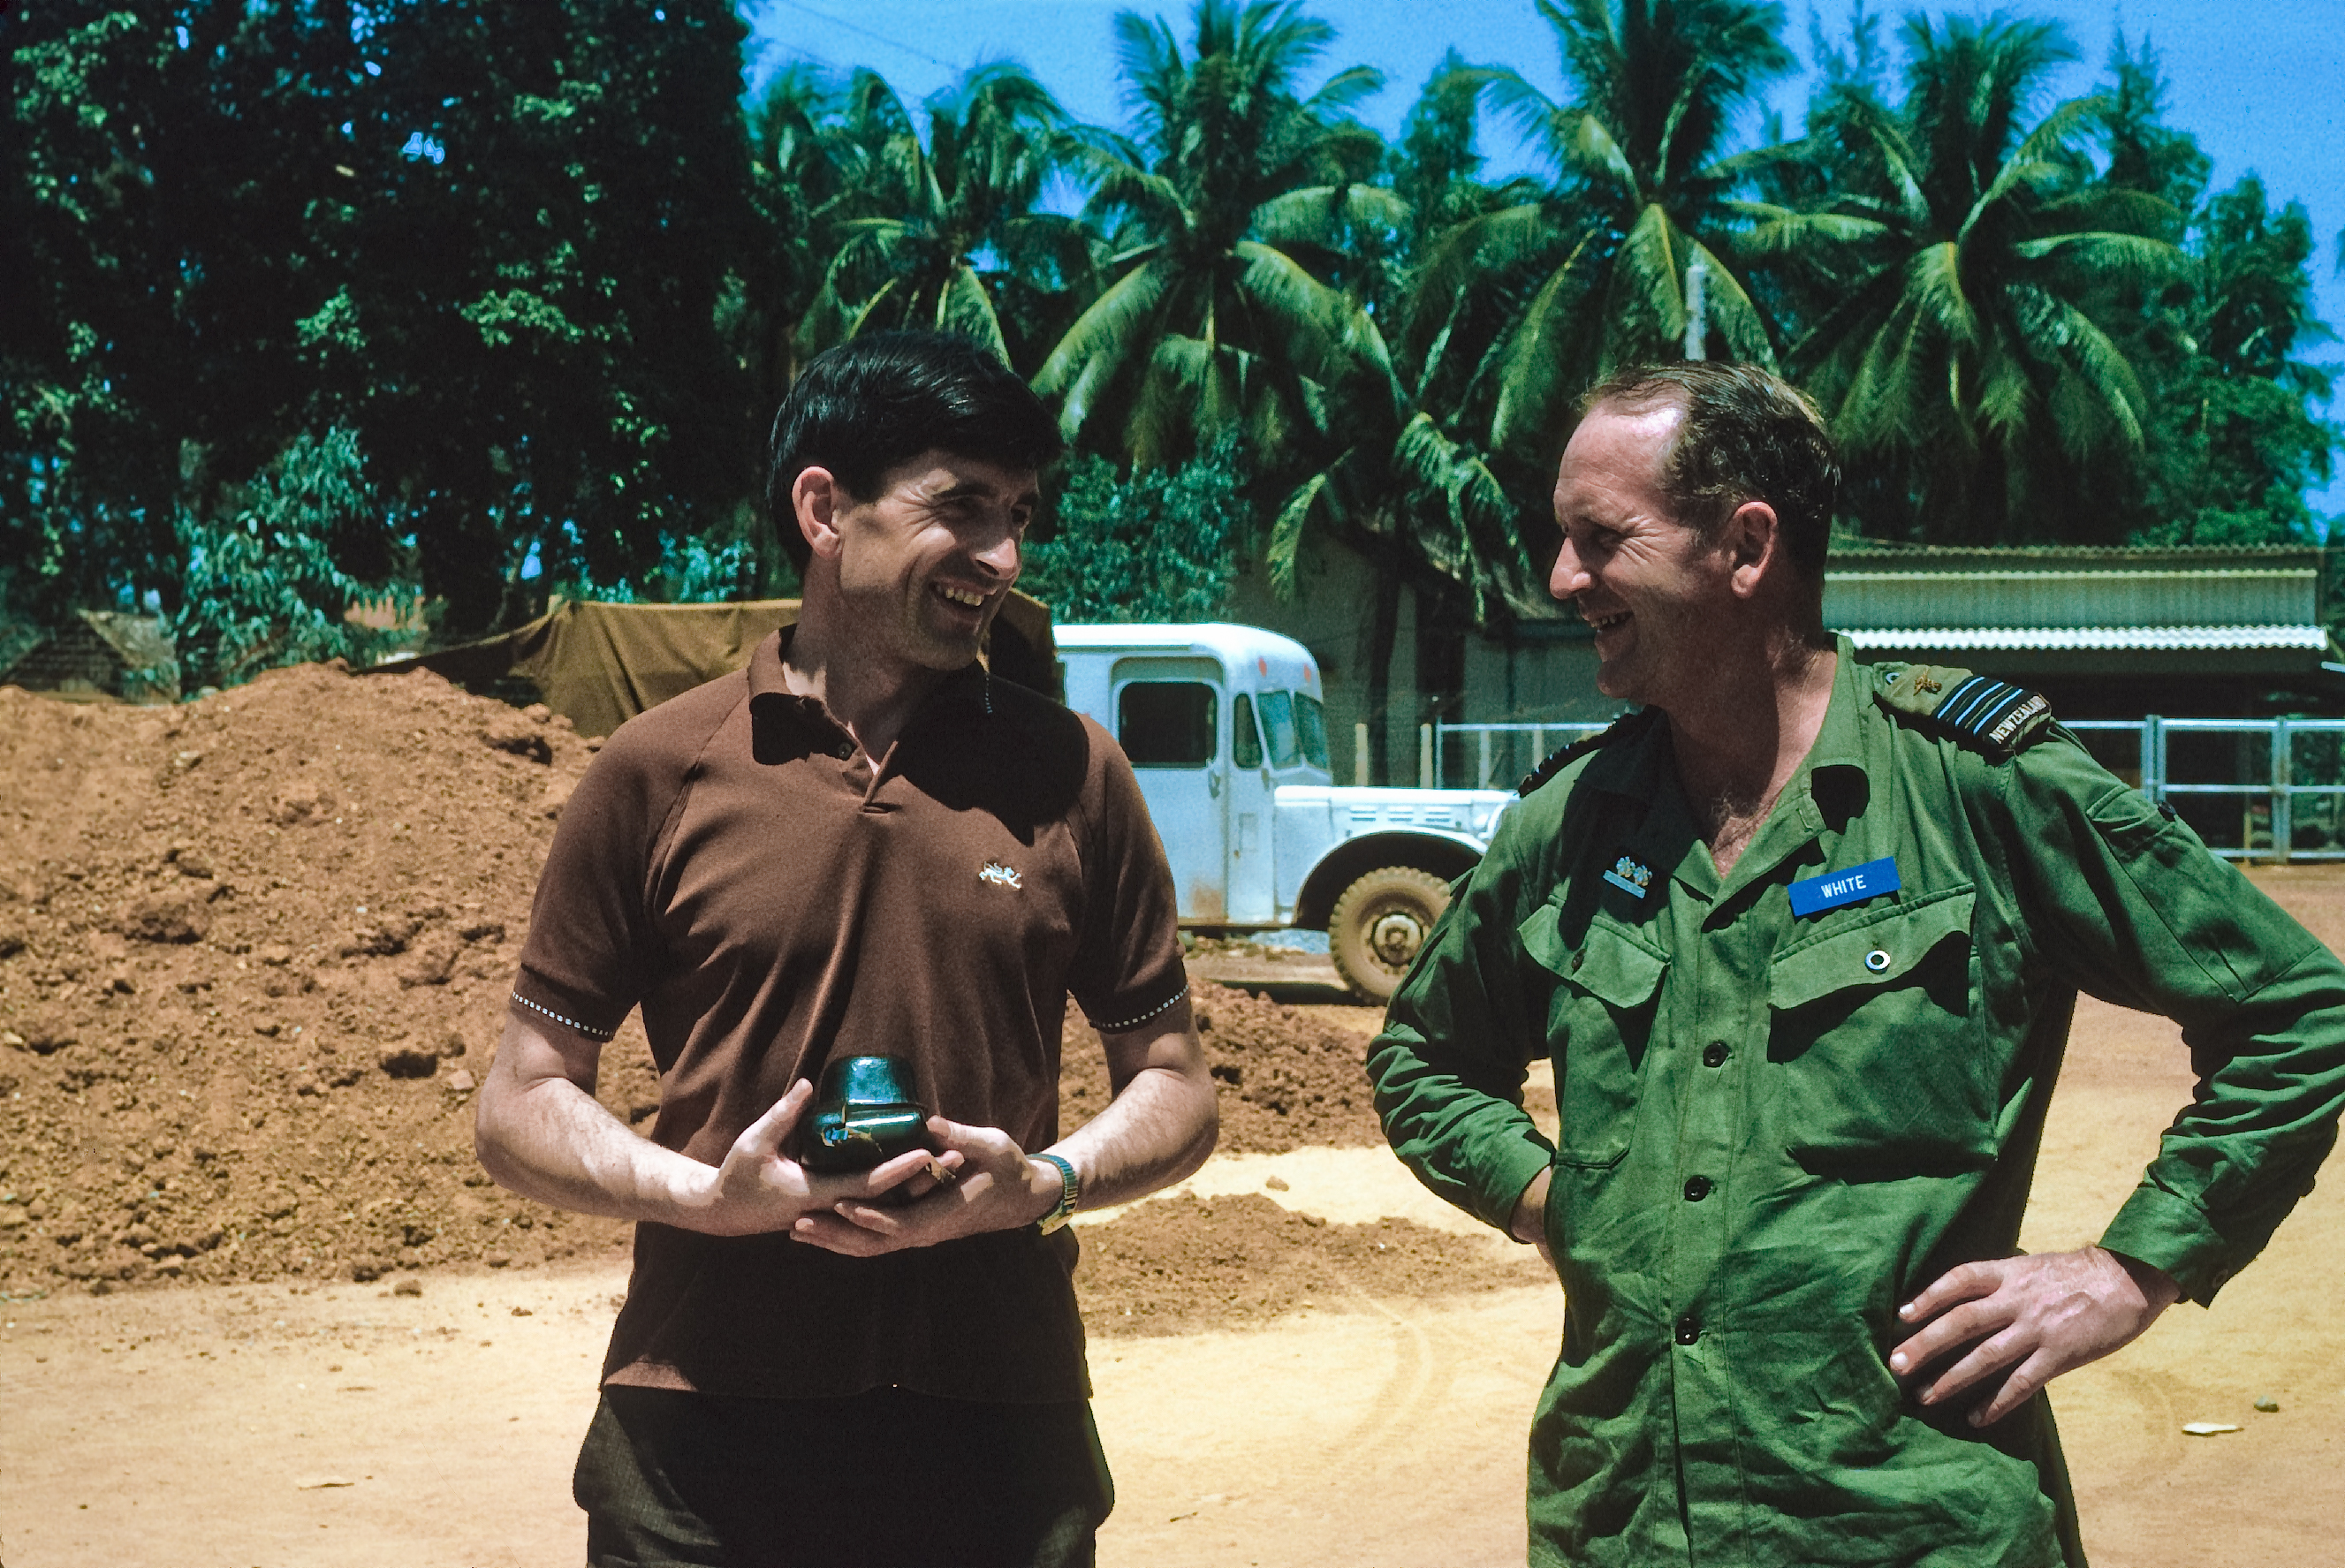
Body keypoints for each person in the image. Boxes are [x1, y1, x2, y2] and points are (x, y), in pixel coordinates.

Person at [1365, 360, 2345, 1566]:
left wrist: (2129, 1267)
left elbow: (2296, 1011)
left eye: (1599, 540)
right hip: (1624, 1522)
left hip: (1910, 1524)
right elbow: (1422, 1058)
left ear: (1744, 545)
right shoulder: (1565, 826)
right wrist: (1545, 1195)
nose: (1562, 580)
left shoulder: (1973, 787)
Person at [474, 330, 1218, 1568]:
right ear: (825, 507)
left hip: (997, 1427)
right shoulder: (661, 767)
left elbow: (1176, 1081)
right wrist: (701, 1200)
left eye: (1019, 513)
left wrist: (1047, 1181)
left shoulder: (1072, 772)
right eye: (961, 507)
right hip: (700, 1436)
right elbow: (521, 1098)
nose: (1003, 556)